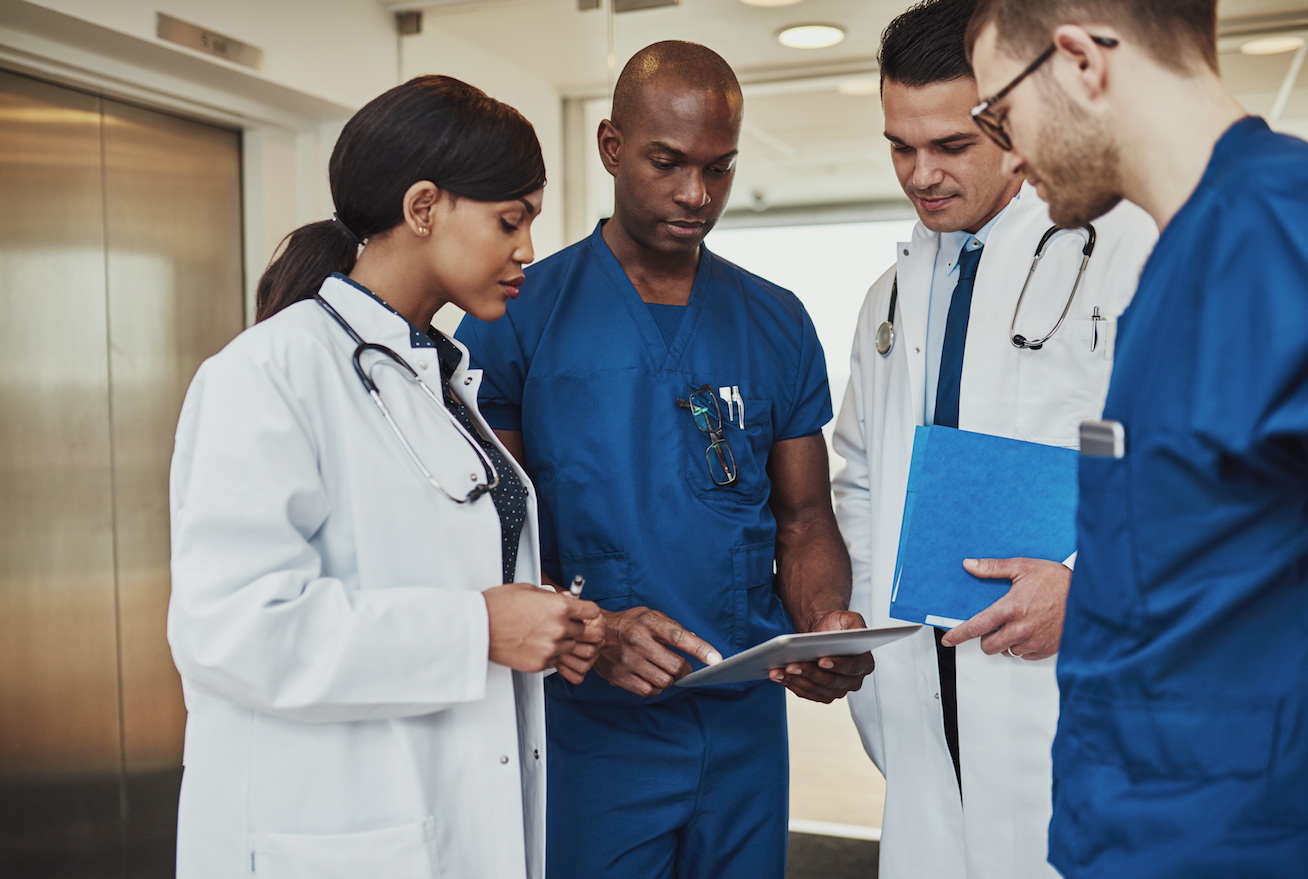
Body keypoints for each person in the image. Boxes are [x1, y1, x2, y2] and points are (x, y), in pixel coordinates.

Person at [166, 75, 602, 879]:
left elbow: (430, 571)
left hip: (443, 812)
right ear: (424, 206)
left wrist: (537, 623)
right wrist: (479, 629)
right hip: (332, 830)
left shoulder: (437, 379)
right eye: (511, 220)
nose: (527, 251)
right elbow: (233, 630)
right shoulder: (270, 372)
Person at [456, 40, 871, 879]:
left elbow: (803, 518)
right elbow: (485, 539)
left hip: (744, 721)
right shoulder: (519, 314)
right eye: (668, 162)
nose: (696, 194)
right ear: (612, 148)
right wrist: (592, 630)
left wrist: (824, 621)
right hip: (589, 720)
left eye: (720, 167)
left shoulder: (777, 321)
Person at [965, 1, 1308, 876]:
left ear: (1080, 61)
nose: (1009, 156)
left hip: (1240, 835)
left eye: (1000, 114)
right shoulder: (1181, 258)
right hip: (1143, 826)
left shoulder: (1277, 227)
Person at [830, 2, 1156, 877]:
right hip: (925, 701)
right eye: (900, 146)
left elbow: (1207, 471)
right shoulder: (889, 296)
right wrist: (868, 632)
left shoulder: (1126, 247)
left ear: (1013, 123)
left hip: (1072, 686)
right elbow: (860, 479)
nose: (921, 174)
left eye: (951, 145)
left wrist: (1088, 585)